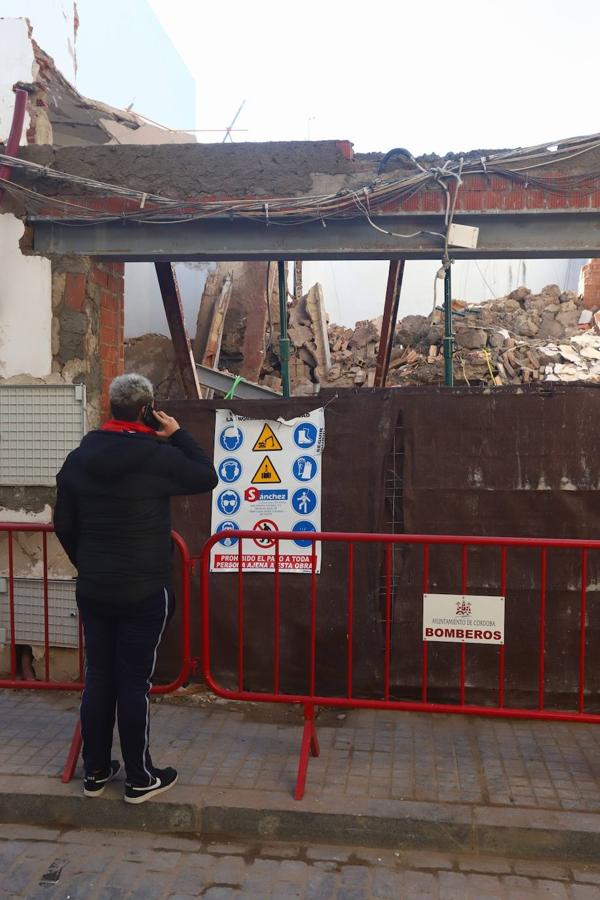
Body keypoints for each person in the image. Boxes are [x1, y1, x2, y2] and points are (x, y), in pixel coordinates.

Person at [53, 374, 217, 804]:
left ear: (110, 408)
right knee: (133, 682)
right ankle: (140, 778)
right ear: (146, 410)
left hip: (94, 587)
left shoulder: (79, 458)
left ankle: (95, 772)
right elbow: (206, 475)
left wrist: (87, 563)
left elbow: (64, 523)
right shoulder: (156, 457)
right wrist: (179, 434)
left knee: (99, 678)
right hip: (144, 589)